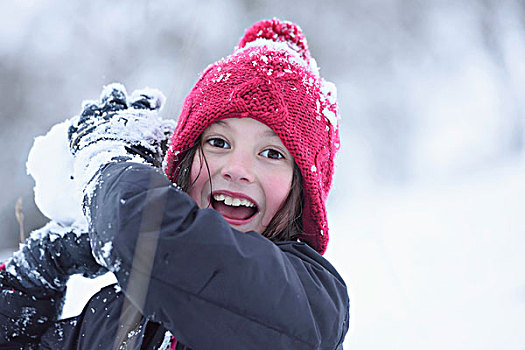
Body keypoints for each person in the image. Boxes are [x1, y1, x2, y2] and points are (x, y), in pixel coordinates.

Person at [0, 18, 349, 349]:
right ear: (183, 163)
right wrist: (33, 276)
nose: (237, 169)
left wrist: (104, 158)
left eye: (272, 153)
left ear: (302, 190)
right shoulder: (115, 317)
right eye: (219, 143)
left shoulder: (311, 304)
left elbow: (146, 234)